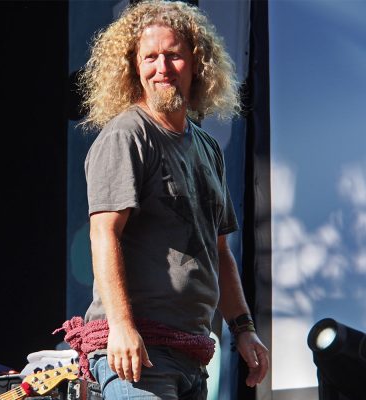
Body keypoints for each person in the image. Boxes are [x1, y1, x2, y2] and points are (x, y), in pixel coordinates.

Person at [55, 1, 269, 399]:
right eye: (149, 57)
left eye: (173, 55)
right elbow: (104, 234)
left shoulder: (207, 148)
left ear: (197, 63)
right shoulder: (126, 136)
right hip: (137, 352)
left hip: (191, 352)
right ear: (134, 67)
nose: (162, 68)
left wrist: (244, 329)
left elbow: (219, 251)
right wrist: (121, 326)